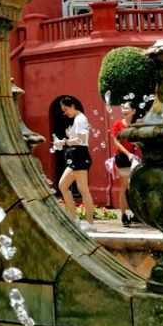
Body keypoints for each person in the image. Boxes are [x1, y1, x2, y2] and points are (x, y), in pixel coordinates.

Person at [57, 96, 95, 231]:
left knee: (83, 190)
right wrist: (68, 137)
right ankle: (74, 219)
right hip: (76, 157)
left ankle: (90, 224)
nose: (65, 113)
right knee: (63, 185)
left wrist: (65, 142)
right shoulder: (78, 119)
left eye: (66, 110)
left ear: (72, 106)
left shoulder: (79, 119)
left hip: (79, 156)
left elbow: (81, 140)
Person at [111, 101, 141, 226]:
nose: (123, 109)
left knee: (134, 187)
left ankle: (136, 214)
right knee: (125, 186)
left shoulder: (136, 125)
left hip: (135, 159)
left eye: (126, 108)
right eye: (122, 107)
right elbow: (116, 141)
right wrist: (128, 154)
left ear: (133, 111)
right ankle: (123, 215)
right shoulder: (118, 124)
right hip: (122, 158)